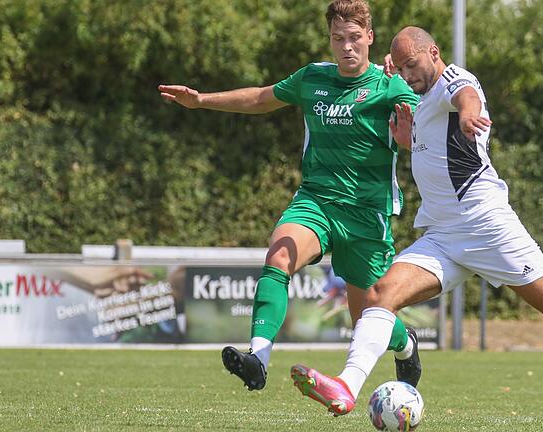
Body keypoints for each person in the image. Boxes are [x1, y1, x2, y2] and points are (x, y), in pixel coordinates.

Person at [290, 26, 543, 416]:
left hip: (486, 226)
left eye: (412, 65)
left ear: (434, 52)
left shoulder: (454, 80)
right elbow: (436, 148)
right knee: (378, 295)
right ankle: (346, 385)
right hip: (441, 235)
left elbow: (466, 95)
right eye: (401, 68)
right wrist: (408, 141)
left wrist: (471, 113)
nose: (407, 75)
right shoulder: (418, 99)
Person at [158, 0, 422, 392]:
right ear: (329, 41)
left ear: (369, 38)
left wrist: (410, 134)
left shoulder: (391, 85)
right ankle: (258, 358)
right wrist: (201, 100)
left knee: (368, 313)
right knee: (278, 255)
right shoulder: (312, 78)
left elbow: (431, 120)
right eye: (338, 39)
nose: (346, 47)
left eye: (354, 38)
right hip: (315, 201)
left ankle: (406, 345)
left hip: (367, 214)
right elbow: (262, 98)